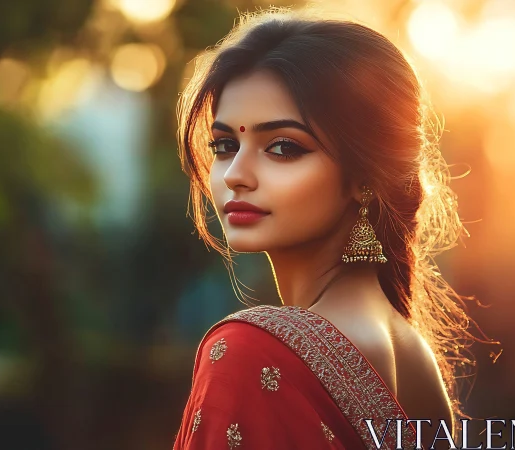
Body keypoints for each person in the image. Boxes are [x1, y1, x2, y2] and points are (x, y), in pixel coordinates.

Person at [172, 7, 487, 449]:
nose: (234, 174)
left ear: (365, 179)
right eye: (225, 145)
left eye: (283, 147)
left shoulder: (251, 351)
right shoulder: (416, 356)